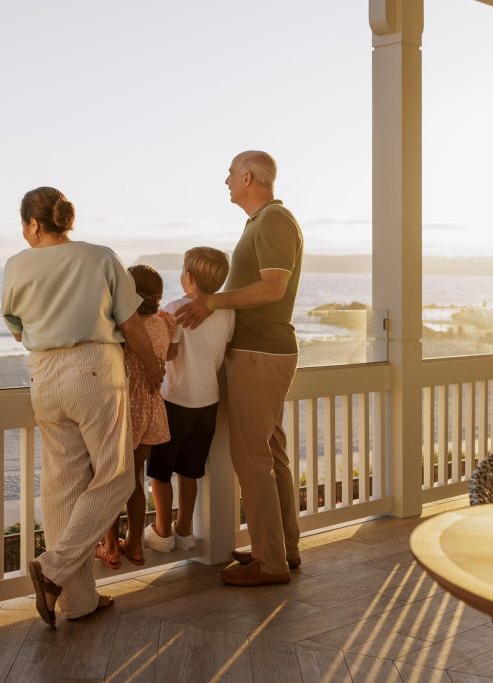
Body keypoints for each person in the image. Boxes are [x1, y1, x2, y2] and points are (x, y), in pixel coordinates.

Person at [1, 186, 165, 627]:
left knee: (62, 487)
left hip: (43, 374)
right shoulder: (100, 257)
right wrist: (153, 367)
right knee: (116, 476)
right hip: (94, 368)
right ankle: (53, 571)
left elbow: (18, 329)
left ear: (33, 224)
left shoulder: (16, 264)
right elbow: (131, 324)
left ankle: (76, 602)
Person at [176, 151, 304, 587]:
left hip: (260, 354)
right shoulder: (261, 223)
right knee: (270, 453)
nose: (226, 180)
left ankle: (271, 564)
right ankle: (283, 548)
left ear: (248, 177)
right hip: (260, 352)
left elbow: (273, 287)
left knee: (251, 458)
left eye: (231, 173)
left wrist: (210, 301)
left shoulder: (274, 222)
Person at [143, 247, 234, 553]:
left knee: (159, 470)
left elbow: (169, 352)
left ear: (189, 277)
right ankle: (185, 530)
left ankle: (162, 531)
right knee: (191, 469)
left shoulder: (174, 308)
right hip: (208, 401)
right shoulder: (227, 312)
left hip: (176, 398)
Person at [95, 265, 174, 569]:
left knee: (112, 481)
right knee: (135, 481)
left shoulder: (122, 326)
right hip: (151, 408)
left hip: (122, 407)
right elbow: (170, 356)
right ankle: (136, 546)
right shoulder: (165, 322)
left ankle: (112, 547)